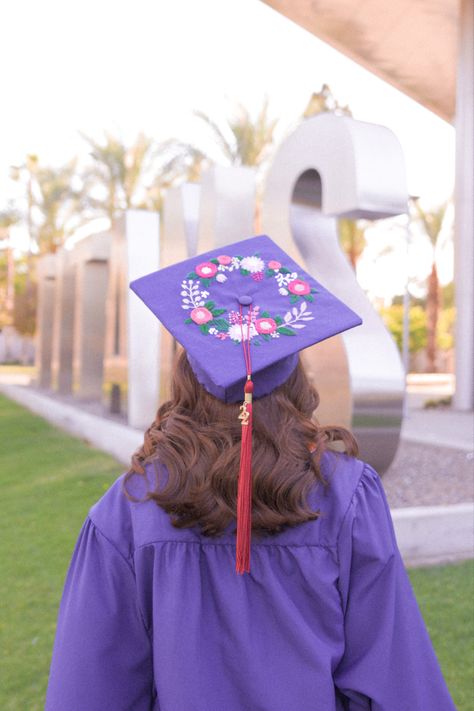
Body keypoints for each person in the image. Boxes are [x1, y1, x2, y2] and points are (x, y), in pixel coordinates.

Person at [45, 234, 456, 710]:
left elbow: (90, 691)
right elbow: (396, 680)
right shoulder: (345, 496)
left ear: (184, 376)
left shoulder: (128, 510)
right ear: (296, 374)